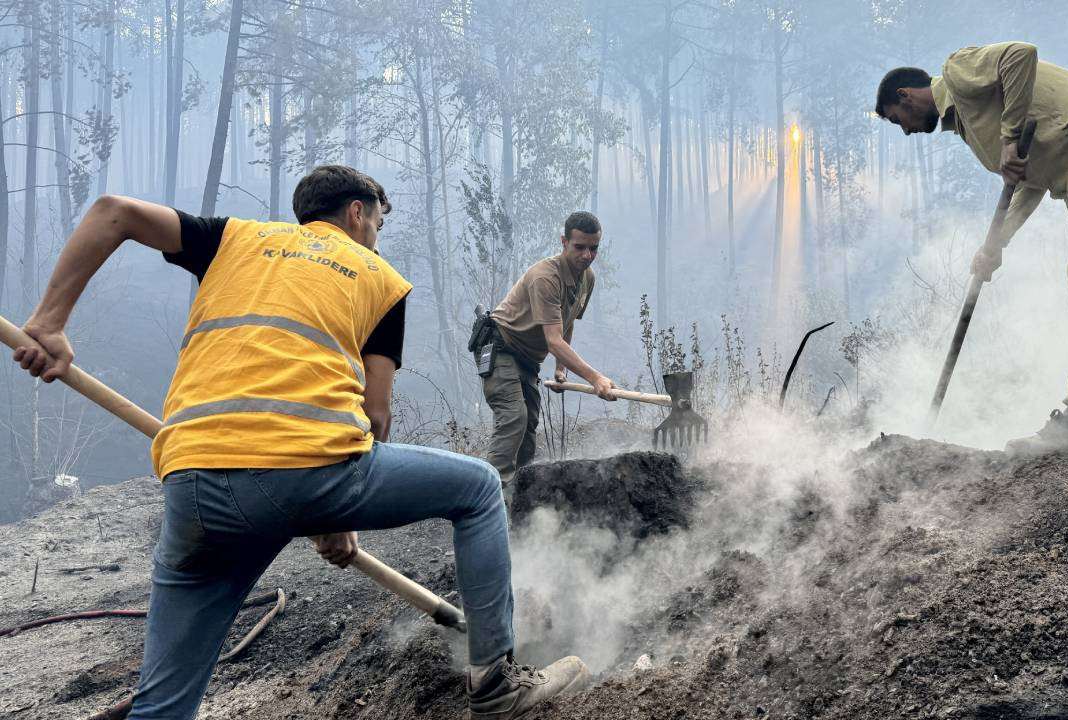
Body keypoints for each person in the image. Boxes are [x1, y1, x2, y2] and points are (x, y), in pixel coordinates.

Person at [11, 165, 587, 720]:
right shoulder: (376, 276)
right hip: (310, 471)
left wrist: (50, 321)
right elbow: (375, 416)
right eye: (379, 226)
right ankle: (494, 683)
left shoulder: (233, 239)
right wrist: (337, 514)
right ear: (357, 213)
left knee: (162, 706)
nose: (377, 240)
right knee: (481, 487)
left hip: (192, 483)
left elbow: (113, 212)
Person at [875, 41, 1068, 454]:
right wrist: (996, 245)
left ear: (904, 96)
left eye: (895, 119)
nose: (903, 130)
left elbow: (1019, 55)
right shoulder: (973, 128)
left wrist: (1009, 139)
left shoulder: (957, 73)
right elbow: (1029, 182)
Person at [479, 211, 615, 481]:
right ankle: (488, 501)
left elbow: (567, 321)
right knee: (514, 420)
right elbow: (553, 340)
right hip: (501, 347)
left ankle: (519, 499)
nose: (587, 255)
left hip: (528, 359)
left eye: (593, 248)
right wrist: (595, 378)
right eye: (579, 247)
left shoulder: (587, 278)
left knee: (529, 427)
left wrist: (561, 369)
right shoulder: (545, 277)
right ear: (564, 242)